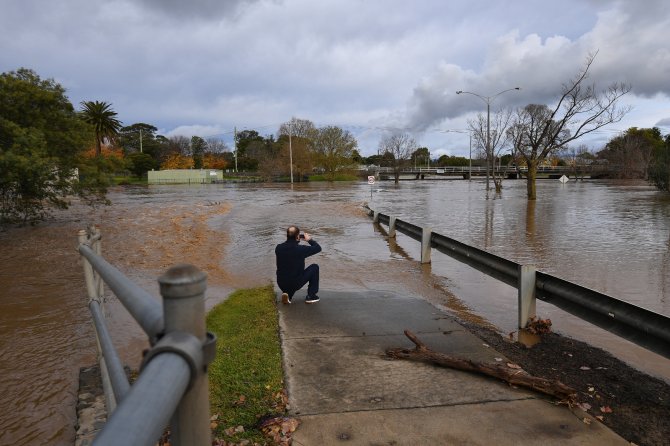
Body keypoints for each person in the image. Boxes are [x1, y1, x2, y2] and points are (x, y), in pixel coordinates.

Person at [275, 225, 322, 304]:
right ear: (297, 236)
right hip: (295, 283)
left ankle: (288, 295)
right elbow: (318, 248)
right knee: (314, 267)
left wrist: (296, 240)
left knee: (288, 272)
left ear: (287, 235)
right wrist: (309, 240)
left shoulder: (278, 248)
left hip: (281, 282)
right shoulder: (301, 249)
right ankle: (311, 296)